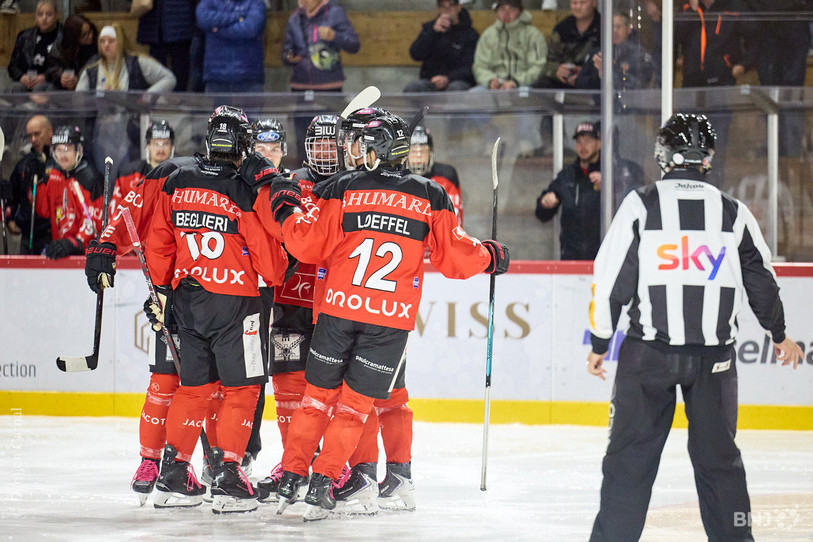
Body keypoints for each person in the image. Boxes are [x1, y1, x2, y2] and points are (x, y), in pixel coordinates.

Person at [267, 112, 510, 521]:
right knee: (358, 407)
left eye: (362, 144)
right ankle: (329, 484)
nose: (354, 150)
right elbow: (454, 258)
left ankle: (296, 478)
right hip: (388, 321)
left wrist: (287, 213)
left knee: (318, 400)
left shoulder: (343, 186)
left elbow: (307, 245)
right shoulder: (431, 194)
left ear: (377, 150)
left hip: (337, 313)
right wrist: (491, 255)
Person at [586, 113, 804, 542]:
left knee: (629, 464)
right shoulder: (733, 212)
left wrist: (600, 340)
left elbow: (611, 277)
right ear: (707, 158)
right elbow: (762, 280)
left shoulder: (641, 204)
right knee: (720, 465)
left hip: (648, 355)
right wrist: (778, 334)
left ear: (664, 156)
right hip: (714, 361)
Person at [145, 105, 289, 513]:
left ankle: (172, 473)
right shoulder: (245, 190)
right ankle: (227, 474)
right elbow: (269, 264)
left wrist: (162, 289)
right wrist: (287, 262)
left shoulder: (177, 181)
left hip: (188, 301)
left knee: (193, 389)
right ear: (243, 143)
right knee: (243, 389)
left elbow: (159, 244)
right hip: (236, 307)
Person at [255, 113, 341, 500]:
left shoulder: (353, 184)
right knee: (288, 389)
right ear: (306, 148)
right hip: (291, 300)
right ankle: (294, 463)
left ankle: (335, 467)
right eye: (318, 143)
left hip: (335, 303)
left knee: (331, 393)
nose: (324, 149)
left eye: (331, 142)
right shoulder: (288, 183)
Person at [283, 0, 360, 164]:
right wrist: (289, 57)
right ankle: (304, 176)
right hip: (301, 87)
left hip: (329, 88)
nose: (304, 1)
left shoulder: (335, 13)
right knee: (303, 138)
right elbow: (286, 50)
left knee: (331, 136)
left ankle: (333, 174)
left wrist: (335, 36)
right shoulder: (295, 18)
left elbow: (354, 44)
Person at [534, 120, 602, 260]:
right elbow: (542, 213)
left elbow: (628, 200)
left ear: (599, 144)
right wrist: (545, 202)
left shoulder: (611, 173)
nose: (583, 146)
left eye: (588, 141)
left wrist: (609, 185)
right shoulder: (567, 176)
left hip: (603, 257)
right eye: (579, 142)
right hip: (571, 258)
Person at [36, 125, 104, 260]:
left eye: (67, 149)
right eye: (58, 150)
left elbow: (96, 220)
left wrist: (76, 242)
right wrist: (39, 183)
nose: (62, 155)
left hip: (87, 256)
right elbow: (43, 211)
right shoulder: (54, 177)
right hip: (60, 253)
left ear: (79, 150)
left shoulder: (90, 178)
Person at [403, 0, 479, 93]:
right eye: (443, 6)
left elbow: (472, 67)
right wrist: (432, 32)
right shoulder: (430, 28)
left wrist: (448, 79)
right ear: (438, 9)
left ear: (458, 8)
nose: (447, 10)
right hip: (431, 81)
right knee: (413, 88)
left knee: (456, 90)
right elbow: (415, 54)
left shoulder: (470, 34)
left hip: (457, 80)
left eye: (451, 6)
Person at [75, 24, 177, 92]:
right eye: (102, 41)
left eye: (111, 41)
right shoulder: (92, 67)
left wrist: (146, 97)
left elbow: (169, 79)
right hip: (100, 122)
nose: (106, 45)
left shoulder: (137, 63)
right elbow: (78, 100)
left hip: (131, 120)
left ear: (120, 42)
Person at [471, 0, 547, 90]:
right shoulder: (488, 35)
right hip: (494, 85)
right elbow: (479, 66)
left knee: (526, 94)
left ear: (520, 12)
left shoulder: (533, 35)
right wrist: (490, 80)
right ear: (497, 12)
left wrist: (516, 82)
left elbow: (538, 67)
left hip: (522, 85)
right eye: (502, 10)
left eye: (512, 10)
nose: (506, 15)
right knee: (473, 94)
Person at [7, 115, 55, 255]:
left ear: (49, 132)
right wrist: (10, 219)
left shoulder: (61, 162)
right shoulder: (23, 164)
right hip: (28, 235)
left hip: (53, 236)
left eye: (37, 134)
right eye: (30, 136)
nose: (33, 139)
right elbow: (11, 194)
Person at [196, 0, 266, 93]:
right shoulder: (209, 1)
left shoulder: (255, 2)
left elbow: (250, 29)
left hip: (248, 74)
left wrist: (216, 30)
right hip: (216, 75)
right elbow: (203, 18)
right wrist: (237, 17)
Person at [575, 11, 654, 91]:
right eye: (612, 26)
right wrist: (598, 76)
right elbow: (579, 83)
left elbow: (637, 86)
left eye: (618, 26)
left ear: (628, 29)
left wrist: (612, 71)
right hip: (601, 103)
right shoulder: (599, 53)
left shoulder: (639, 55)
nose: (614, 30)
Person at [109, 120, 176, 215]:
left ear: (172, 147)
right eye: (156, 144)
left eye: (166, 144)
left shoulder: (180, 175)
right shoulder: (128, 174)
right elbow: (115, 212)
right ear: (148, 146)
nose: (161, 149)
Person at [533, 0, 600, 89]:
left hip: (591, 81)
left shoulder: (603, 26)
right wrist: (557, 69)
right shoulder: (562, 28)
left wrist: (584, 71)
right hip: (564, 80)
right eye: (574, 3)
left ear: (594, 3)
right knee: (541, 84)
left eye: (583, 3)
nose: (578, 7)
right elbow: (548, 61)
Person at [407, 124, 463, 225]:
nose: (418, 156)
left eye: (423, 151)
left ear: (431, 153)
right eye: (413, 151)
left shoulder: (447, 176)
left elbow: (453, 220)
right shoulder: (397, 176)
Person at [136, 0, 196, 91]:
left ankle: (179, 99)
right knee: (156, 70)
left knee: (180, 69)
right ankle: (157, 100)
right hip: (155, 25)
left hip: (180, 22)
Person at [7, 0, 61, 92]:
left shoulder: (63, 36)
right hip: (27, 81)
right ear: (36, 17)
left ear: (55, 16)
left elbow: (66, 66)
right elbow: (13, 66)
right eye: (40, 14)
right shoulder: (24, 36)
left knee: (40, 89)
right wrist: (21, 77)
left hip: (50, 82)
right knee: (13, 88)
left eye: (49, 14)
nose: (44, 18)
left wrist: (46, 77)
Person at [44, 14, 97, 91]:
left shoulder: (96, 44)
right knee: (45, 88)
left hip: (86, 83)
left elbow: (95, 69)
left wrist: (79, 79)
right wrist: (62, 76)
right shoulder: (61, 43)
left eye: (90, 31)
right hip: (65, 84)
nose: (90, 36)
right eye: (84, 35)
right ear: (74, 38)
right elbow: (52, 65)